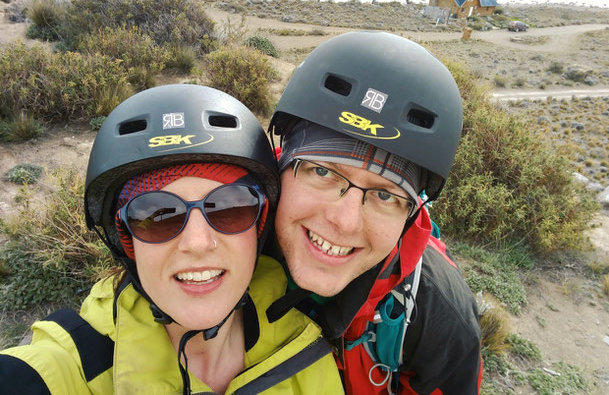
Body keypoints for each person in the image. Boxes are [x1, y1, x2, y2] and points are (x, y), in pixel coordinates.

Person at [0, 84, 344, 395]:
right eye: (157, 215)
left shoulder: (303, 344)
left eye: (230, 207)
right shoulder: (71, 368)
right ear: (125, 242)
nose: (197, 242)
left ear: (259, 227)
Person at [266, 32, 483, 395]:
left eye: (386, 195)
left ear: (411, 215)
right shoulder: (217, 236)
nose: (345, 221)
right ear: (281, 167)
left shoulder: (440, 317)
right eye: (322, 172)